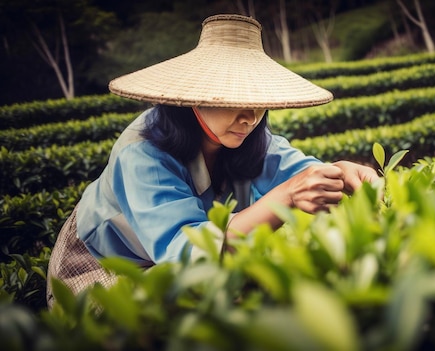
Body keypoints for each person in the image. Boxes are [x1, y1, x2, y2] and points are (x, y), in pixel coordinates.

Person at [46, 14, 379, 307]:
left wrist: (342, 171)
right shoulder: (143, 153)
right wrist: (286, 195)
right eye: (233, 98)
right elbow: (190, 254)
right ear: (194, 96)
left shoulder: (252, 138)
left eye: (258, 100)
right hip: (102, 265)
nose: (249, 116)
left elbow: (299, 171)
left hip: (169, 257)